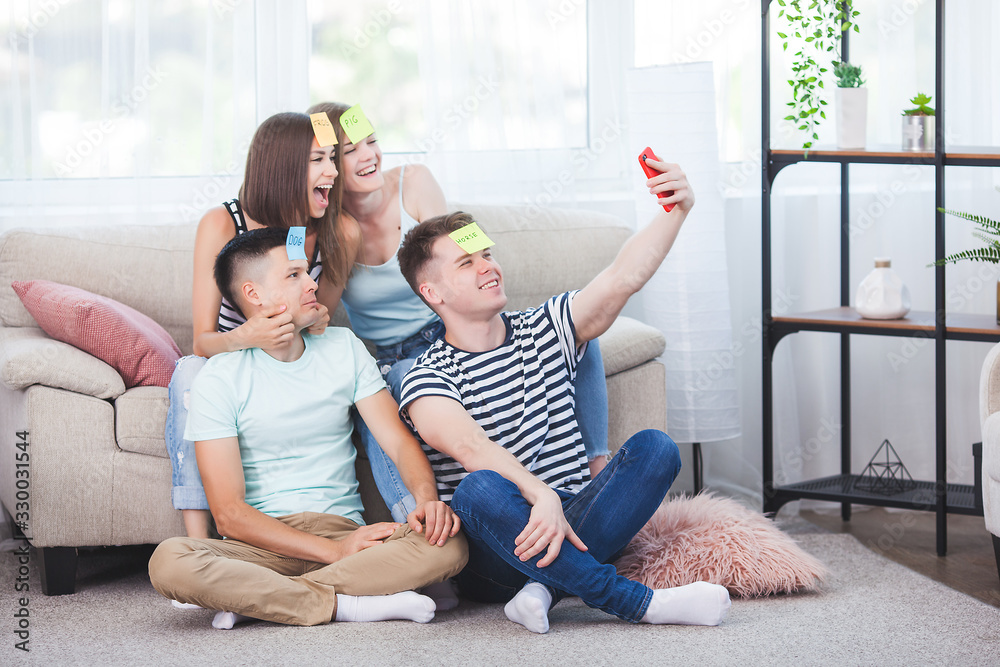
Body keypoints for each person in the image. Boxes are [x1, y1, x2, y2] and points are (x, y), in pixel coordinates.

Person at [394, 158, 731, 633]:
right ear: (433, 292)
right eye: (467, 263)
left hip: (575, 519)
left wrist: (675, 211)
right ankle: (640, 603)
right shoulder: (427, 376)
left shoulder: (545, 327)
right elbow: (471, 448)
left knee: (656, 448)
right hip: (497, 553)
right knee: (477, 488)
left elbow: (621, 277)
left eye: (487, 254)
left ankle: (545, 590)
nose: (488, 267)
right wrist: (540, 495)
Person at [305, 102, 613, 525]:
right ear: (327, 165)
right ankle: (418, 527)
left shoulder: (412, 181)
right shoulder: (333, 226)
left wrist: (483, 272)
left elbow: (455, 247)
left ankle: (597, 479)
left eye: (372, 142)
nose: (369, 156)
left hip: (451, 326)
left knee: (577, 332)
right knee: (380, 397)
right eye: (349, 151)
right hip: (397, 358)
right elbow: (318, 306)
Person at [149, 228, 467, 629]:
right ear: (254, 294)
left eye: (307, 272)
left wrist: (426, 501)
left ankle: (261, 599)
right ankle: (346, 605)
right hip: (261, 545)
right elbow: (229, 515)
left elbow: (400, 444)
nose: (312, 283)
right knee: (169, 561)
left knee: (450, 543)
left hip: (347, 530)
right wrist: (334, 553)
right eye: (294, 275)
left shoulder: (343, 347)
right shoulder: (218, 378)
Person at [166, 111, 357, 539]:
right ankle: (199, 546)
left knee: (365, 372)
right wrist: (246, 336)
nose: (332, 171)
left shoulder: (338, 231)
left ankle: (415, 524)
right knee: (188, 374)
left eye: (331, 158)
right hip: (237, 358)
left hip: (294, 358)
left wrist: (315, 318)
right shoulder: (221, 223)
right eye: (317, 160)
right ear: (282, 168)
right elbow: (201, 340)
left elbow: (317, 323)